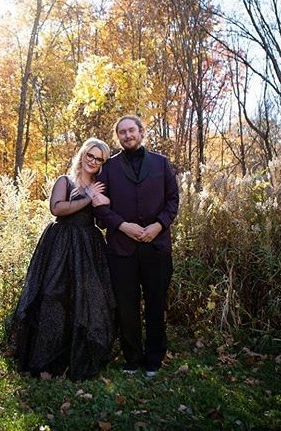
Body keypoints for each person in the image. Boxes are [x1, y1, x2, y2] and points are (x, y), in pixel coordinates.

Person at [8, 138, 116, 380]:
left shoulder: (100, 186)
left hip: (88, 247)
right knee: (53, 297)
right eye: (90, 155)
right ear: (83, 154)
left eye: (99, 159)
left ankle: (77, 357)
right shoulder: (65, 181)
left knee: (87, 300)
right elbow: (56, 208)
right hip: (61, 245)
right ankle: (45, 360)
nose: (93, 161)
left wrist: (105, 202)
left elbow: (102, 220)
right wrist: (88, 198)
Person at [91, 115, 179, 377]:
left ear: (141, 132)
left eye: (131, 130)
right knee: (126, 306)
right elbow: (100, 208)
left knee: (156, 304)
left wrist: (158, 226)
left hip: (156, 246)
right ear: (118, 136)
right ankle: (132, 358)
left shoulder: (161, 163)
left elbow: (173, 200)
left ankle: (153, 358)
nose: (128, 135)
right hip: (121, 248)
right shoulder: (108, 168)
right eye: (122, 132)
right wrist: (123, 226)